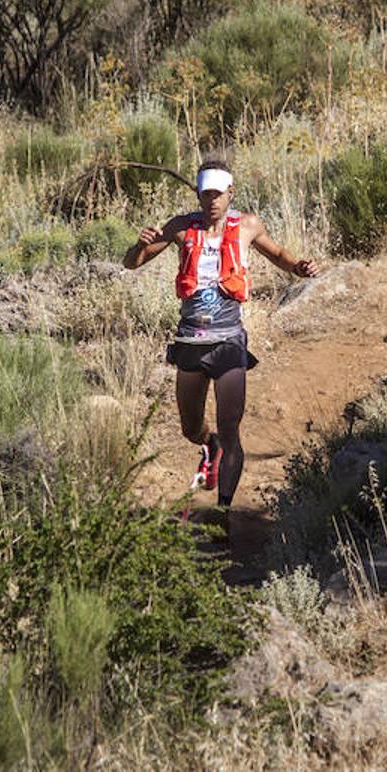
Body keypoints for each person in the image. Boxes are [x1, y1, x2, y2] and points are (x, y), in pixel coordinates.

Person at [123, 156, 319, 510]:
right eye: (205, 194)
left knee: (231, 428)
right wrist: (139, 244)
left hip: (229, 342)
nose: (211, 200)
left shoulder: (247, 225)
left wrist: (299, 267)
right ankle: (207, 445)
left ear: (231, 192)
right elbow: (131, 263)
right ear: (198, 195)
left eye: (217, 193)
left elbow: (278, 255)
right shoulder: (182, 227)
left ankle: (223, 509)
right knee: (189, 428)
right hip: (190, 342)